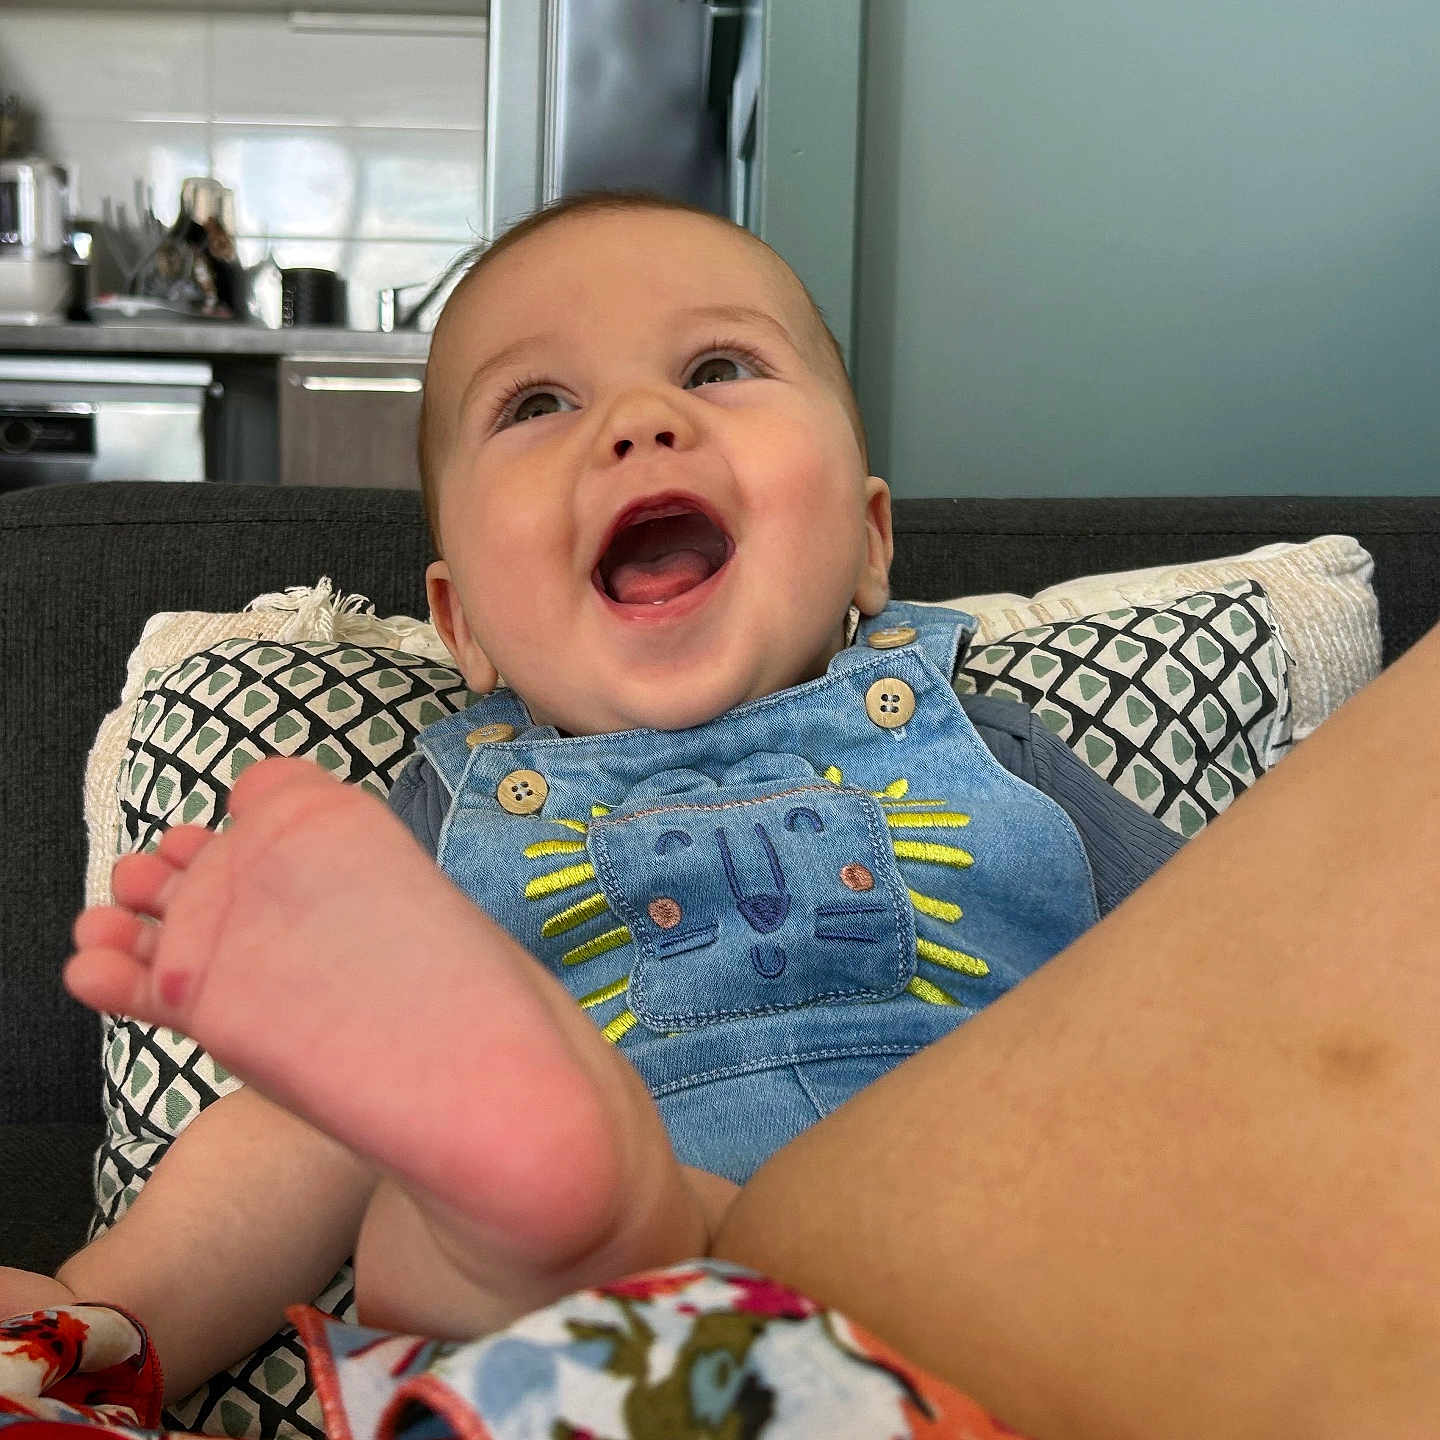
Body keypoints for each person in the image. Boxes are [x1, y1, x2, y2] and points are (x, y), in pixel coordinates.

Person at [5, 192, 1439, 1440]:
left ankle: (617, 1220)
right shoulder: (436, 821)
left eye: (717, 366)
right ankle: (590, 1219)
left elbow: (1218, 971)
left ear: (871, 542)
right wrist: (105, 1308)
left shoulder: (993, 746)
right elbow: (286, 1139)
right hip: (617, 1357)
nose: (640, 421)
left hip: (1009, 1292)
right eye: (538, 405)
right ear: (464, 627)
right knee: (378, 1150)